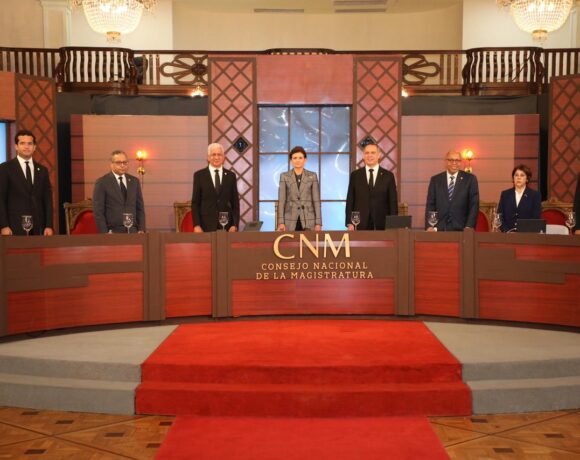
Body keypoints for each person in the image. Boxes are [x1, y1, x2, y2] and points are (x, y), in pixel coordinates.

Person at [0, 130, 54, 236]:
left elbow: (47, 200)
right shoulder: (5, 168)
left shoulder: (42, 170)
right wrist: (3, 225)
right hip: (13, 227)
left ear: (34, 147)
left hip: (39, 228)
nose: (26, 147)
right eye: (22, 143)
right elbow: (1, 198)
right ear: (16, 146)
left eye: (30, 143)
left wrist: (49, 225)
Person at [345, 141, 398, 231]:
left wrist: (393, 225)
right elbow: (350, 200)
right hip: (359, 224)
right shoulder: (355, 175)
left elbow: (392, 202)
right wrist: (349, 223)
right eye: (367, 153)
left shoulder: (388, 176)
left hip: (382, 225)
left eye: (373, 153)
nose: (369, 155)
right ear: (363, 156)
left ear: (379, 155)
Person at [92, 150, 146, 233]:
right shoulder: (102, 182)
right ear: (111, 164)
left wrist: (141, 229)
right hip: (112, 231)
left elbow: (140, 208)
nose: (122, 165)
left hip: (133, 231)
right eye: (118, 163)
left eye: (125, 162)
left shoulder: (134, 181)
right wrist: (105, 233)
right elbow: (98, 212)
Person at [425, 150, 479, 231]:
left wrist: (469, 226)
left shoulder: (470, 179)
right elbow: (430, 205)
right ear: (446, 162)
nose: (454, 163)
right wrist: (429, 226)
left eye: (457, 160)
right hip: (439, 229)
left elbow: (474, 205)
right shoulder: (435, 180)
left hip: (462, 229)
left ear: (460, 162)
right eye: (451, 160)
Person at [191, 143, 240, 232]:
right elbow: (195, 203)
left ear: (224, 157)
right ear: (208, 157)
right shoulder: (199, 176)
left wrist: (235, 225)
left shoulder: (231, 176)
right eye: (213, 155)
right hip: (205, 226)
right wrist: (196, 225)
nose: (216, 157)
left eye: (219, 155)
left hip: (226, 226)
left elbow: (235, 203)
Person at [277, 146, 322, 232]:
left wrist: (318, 223)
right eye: (295, 158)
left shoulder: (312, 176)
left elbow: (316, 201)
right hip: (289, 219)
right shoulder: (284, 176)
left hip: (309, 219)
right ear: (291, 161)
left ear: (305, 160)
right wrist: (281, 222)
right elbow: (281, 201)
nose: (297, 160)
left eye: (300, 158)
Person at [497, 164, 541, 232]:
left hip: (526, 235)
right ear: (513, 178)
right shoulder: (505, 194)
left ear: (527, 179)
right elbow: (499, 217)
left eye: (522, 175)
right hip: (507, 234)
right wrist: (508, 231)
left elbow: (536, 219)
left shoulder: (534, 195)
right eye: (516, 175)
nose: (518, 178)